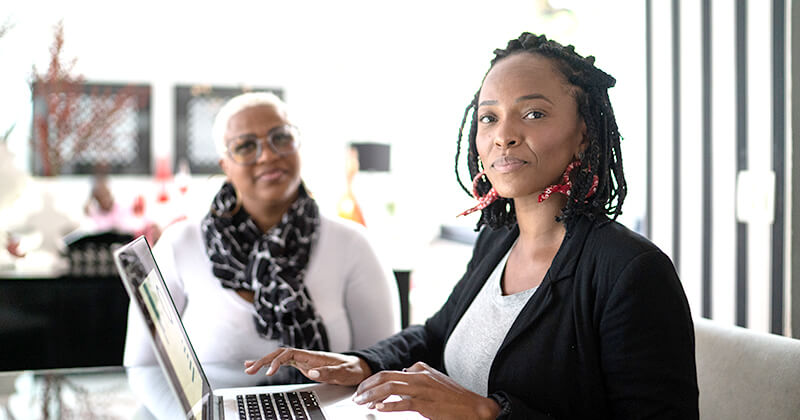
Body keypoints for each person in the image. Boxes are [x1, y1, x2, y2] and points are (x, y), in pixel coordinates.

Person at [243, 33, 699, 419]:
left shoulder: (631, 271)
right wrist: (359, 363)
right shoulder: (499, 240)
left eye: (533, 113)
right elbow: (436, 335)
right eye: (489, 117)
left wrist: (488, 412)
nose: (504, 134)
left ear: (583, 134)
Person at [123, 92, 400, 374]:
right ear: (225, 166)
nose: (268, 155)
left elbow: (381, 364)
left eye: (280, 138)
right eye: (245, 146)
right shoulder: (178, 246)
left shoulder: (354, 245)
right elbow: (143, 367)